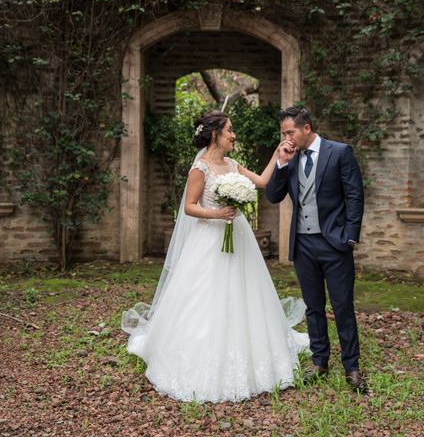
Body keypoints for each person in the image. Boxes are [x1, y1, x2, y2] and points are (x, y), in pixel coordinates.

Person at [121, 109, 309, 403]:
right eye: (230, 130)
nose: (234, 135)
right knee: (205, 295)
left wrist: (278, 154)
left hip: (238, 237)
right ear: (215, 134)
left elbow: (261, 181)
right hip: (208, 239)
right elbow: (189, 207)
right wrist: (216, 213)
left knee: (243, 292)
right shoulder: (200, 168)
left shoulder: (232, 165)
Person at [265, 106, 367, 393]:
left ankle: (352, 367)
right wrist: (282, 163)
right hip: (303, 244)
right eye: (284, 133)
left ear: (306, 128)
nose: (286, 138)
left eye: (290, 132)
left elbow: (355, 195)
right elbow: (273, 196)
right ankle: (320, 361)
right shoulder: (290, 157)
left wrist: (350, 236)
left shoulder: (339, 152)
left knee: (343, 306)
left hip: (334, 243)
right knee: (313, 307)